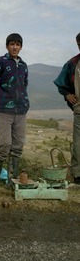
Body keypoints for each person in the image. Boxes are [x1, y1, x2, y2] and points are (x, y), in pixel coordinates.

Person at [0, 33, 30, 193]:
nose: (15, 47)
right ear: (7, 46)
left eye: (18, 44)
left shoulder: (23, 65)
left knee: (18, 146)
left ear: (21, 46)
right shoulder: (0, 62)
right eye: (12, 44)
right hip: (2, 110)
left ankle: (12, 179)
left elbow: (24, 85)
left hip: (20, 111)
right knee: (4, 144)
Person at [53, 33, 80, 185]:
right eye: (79, 43)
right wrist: (67, 94)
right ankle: (78, 175)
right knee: (78, 144)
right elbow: (61, 82)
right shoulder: (73, 63)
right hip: (79, 109)